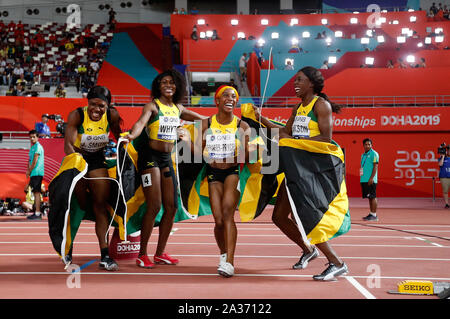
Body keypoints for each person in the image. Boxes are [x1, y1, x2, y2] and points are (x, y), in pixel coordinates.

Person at [253, 66, 349, 281]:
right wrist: (262, 119)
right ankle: (309, 249)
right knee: (279, 217)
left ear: (312, 84)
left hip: (312, 171)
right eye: (295, 80)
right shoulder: (298, 109)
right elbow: (284, 133)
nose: (295, 84)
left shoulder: (321, 105)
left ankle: (337, 263)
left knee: (308, 217)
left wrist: (296, 143)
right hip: (296, 170)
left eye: (299, 80)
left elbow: (326, 138)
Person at [123, 69, 206, 269]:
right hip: (149, 159)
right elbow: (140, 123)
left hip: (166, 159)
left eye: (172, 82)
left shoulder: (178, 108)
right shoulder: (153, 106)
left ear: (177, 86)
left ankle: (160, 253)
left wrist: (231, 122)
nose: (168, 85)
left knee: (172, 207)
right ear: (158, 86)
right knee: (154, 205)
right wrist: (132, 135)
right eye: (164, 82)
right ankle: (142, 254)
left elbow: (205, 119)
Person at [184, 85, 250, 277]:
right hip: (213, 174)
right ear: (217, 100)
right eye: (226, 96)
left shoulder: (242, 126)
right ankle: (223, 253)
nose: (230, 99)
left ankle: (230, 262)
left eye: (234, 96)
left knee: (228, 213)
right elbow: (198, 154)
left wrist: (245, 151)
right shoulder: (206, 124)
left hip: (232, 172)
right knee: (219, 219)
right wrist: (187, 140)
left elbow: (249, 155)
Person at [64, 85, 123, 271]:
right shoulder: (77, 115)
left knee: (100, 204)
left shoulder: (112, 115)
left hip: (97, 160)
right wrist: (77, 163)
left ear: (108, 106)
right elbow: (68, 145)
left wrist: (126, 147)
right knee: (79, 205)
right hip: (78, 158)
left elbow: (119, 135)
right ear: (87, 103)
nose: (96, 109)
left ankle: (105, 255)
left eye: (101, 106)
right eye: (93, 104)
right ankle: (67, 249)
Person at [26, 130, 45, 220]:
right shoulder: (32, 148)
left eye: (34, 137)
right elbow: (29, 161)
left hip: (37, 172)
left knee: (37, 193)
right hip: (33, 173)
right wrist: (28, 171)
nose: (32, 138)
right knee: (35, 192)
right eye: (31, 137)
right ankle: (36, 212)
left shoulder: (38, 147)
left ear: (37, 137)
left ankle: (37, 213)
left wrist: (29, 170)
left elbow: (35, 161)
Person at [360, 138, 380, 221]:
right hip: (364, 179)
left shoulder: (374, 154)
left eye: (369, 144)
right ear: (363, 145)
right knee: (369, 197)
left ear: (371, 145)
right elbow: (362, 167)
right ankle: (371, 213)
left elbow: (375, 166)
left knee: (373, 196)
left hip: (371, 179)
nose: (367, 146)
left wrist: (371, 178)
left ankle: (374, 215)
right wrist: (361, 177)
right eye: (366, 144)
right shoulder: (363, 155)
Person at [438, 143, 450, 208]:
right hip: (444, 177)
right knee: (445, 191)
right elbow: (440, 164)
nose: (449, 151)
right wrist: (442, 156)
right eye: (448, 150)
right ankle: (447, 204)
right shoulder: (442, 158)